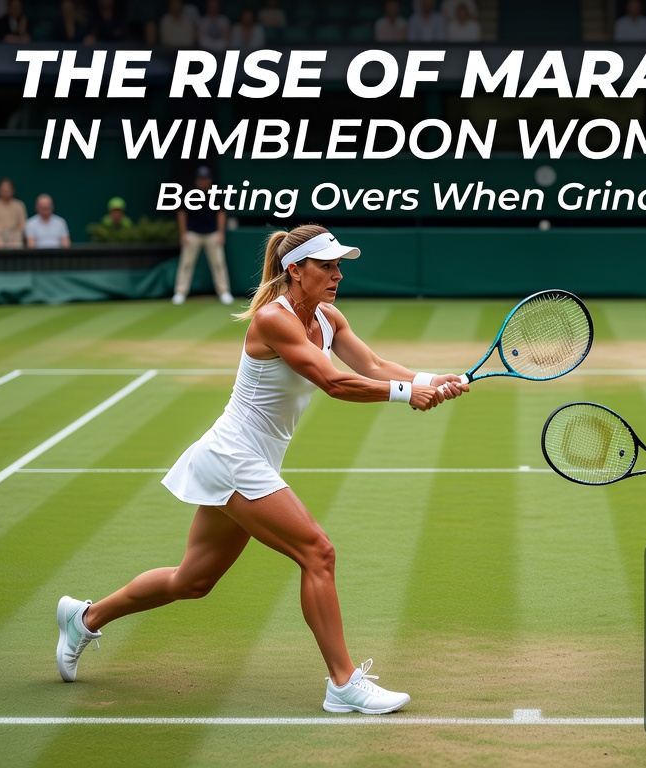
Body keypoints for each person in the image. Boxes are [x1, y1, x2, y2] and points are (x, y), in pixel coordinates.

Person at [53, 224, 468, 715]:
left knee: (192, 581)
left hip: (248, 458)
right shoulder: (274, 319)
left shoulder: (329, 318)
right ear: (296, 270)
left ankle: (84, 618)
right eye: (327, 266)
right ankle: (343, 683)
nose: (338, 275)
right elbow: (334, 382)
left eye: (339, 266)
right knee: (318, 553)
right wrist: (407, 394)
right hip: (234, 457)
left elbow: (373, 365)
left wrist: (429, 379)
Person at [174, 166, 232, 305]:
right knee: (186, 263)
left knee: (218, 263)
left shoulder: (216, 193)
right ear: (197, 180)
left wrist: (220, 232)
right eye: (201, 179)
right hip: (192, 233)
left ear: (210, 180)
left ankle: (224, 292)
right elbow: (181, 212)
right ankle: (180, 292)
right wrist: (183, 233)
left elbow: (221, 213)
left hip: (212, 233)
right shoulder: (189, 193)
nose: (204, 181)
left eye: (206, 179)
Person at [0, 178, 27, 248]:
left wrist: (15, 235)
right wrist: (0, 235)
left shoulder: (19, 205)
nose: (6, 191)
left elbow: (22, 225)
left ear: (13, 190)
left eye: (8, 189)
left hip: (15, 236)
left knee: (17, 244)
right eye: (3, 189)